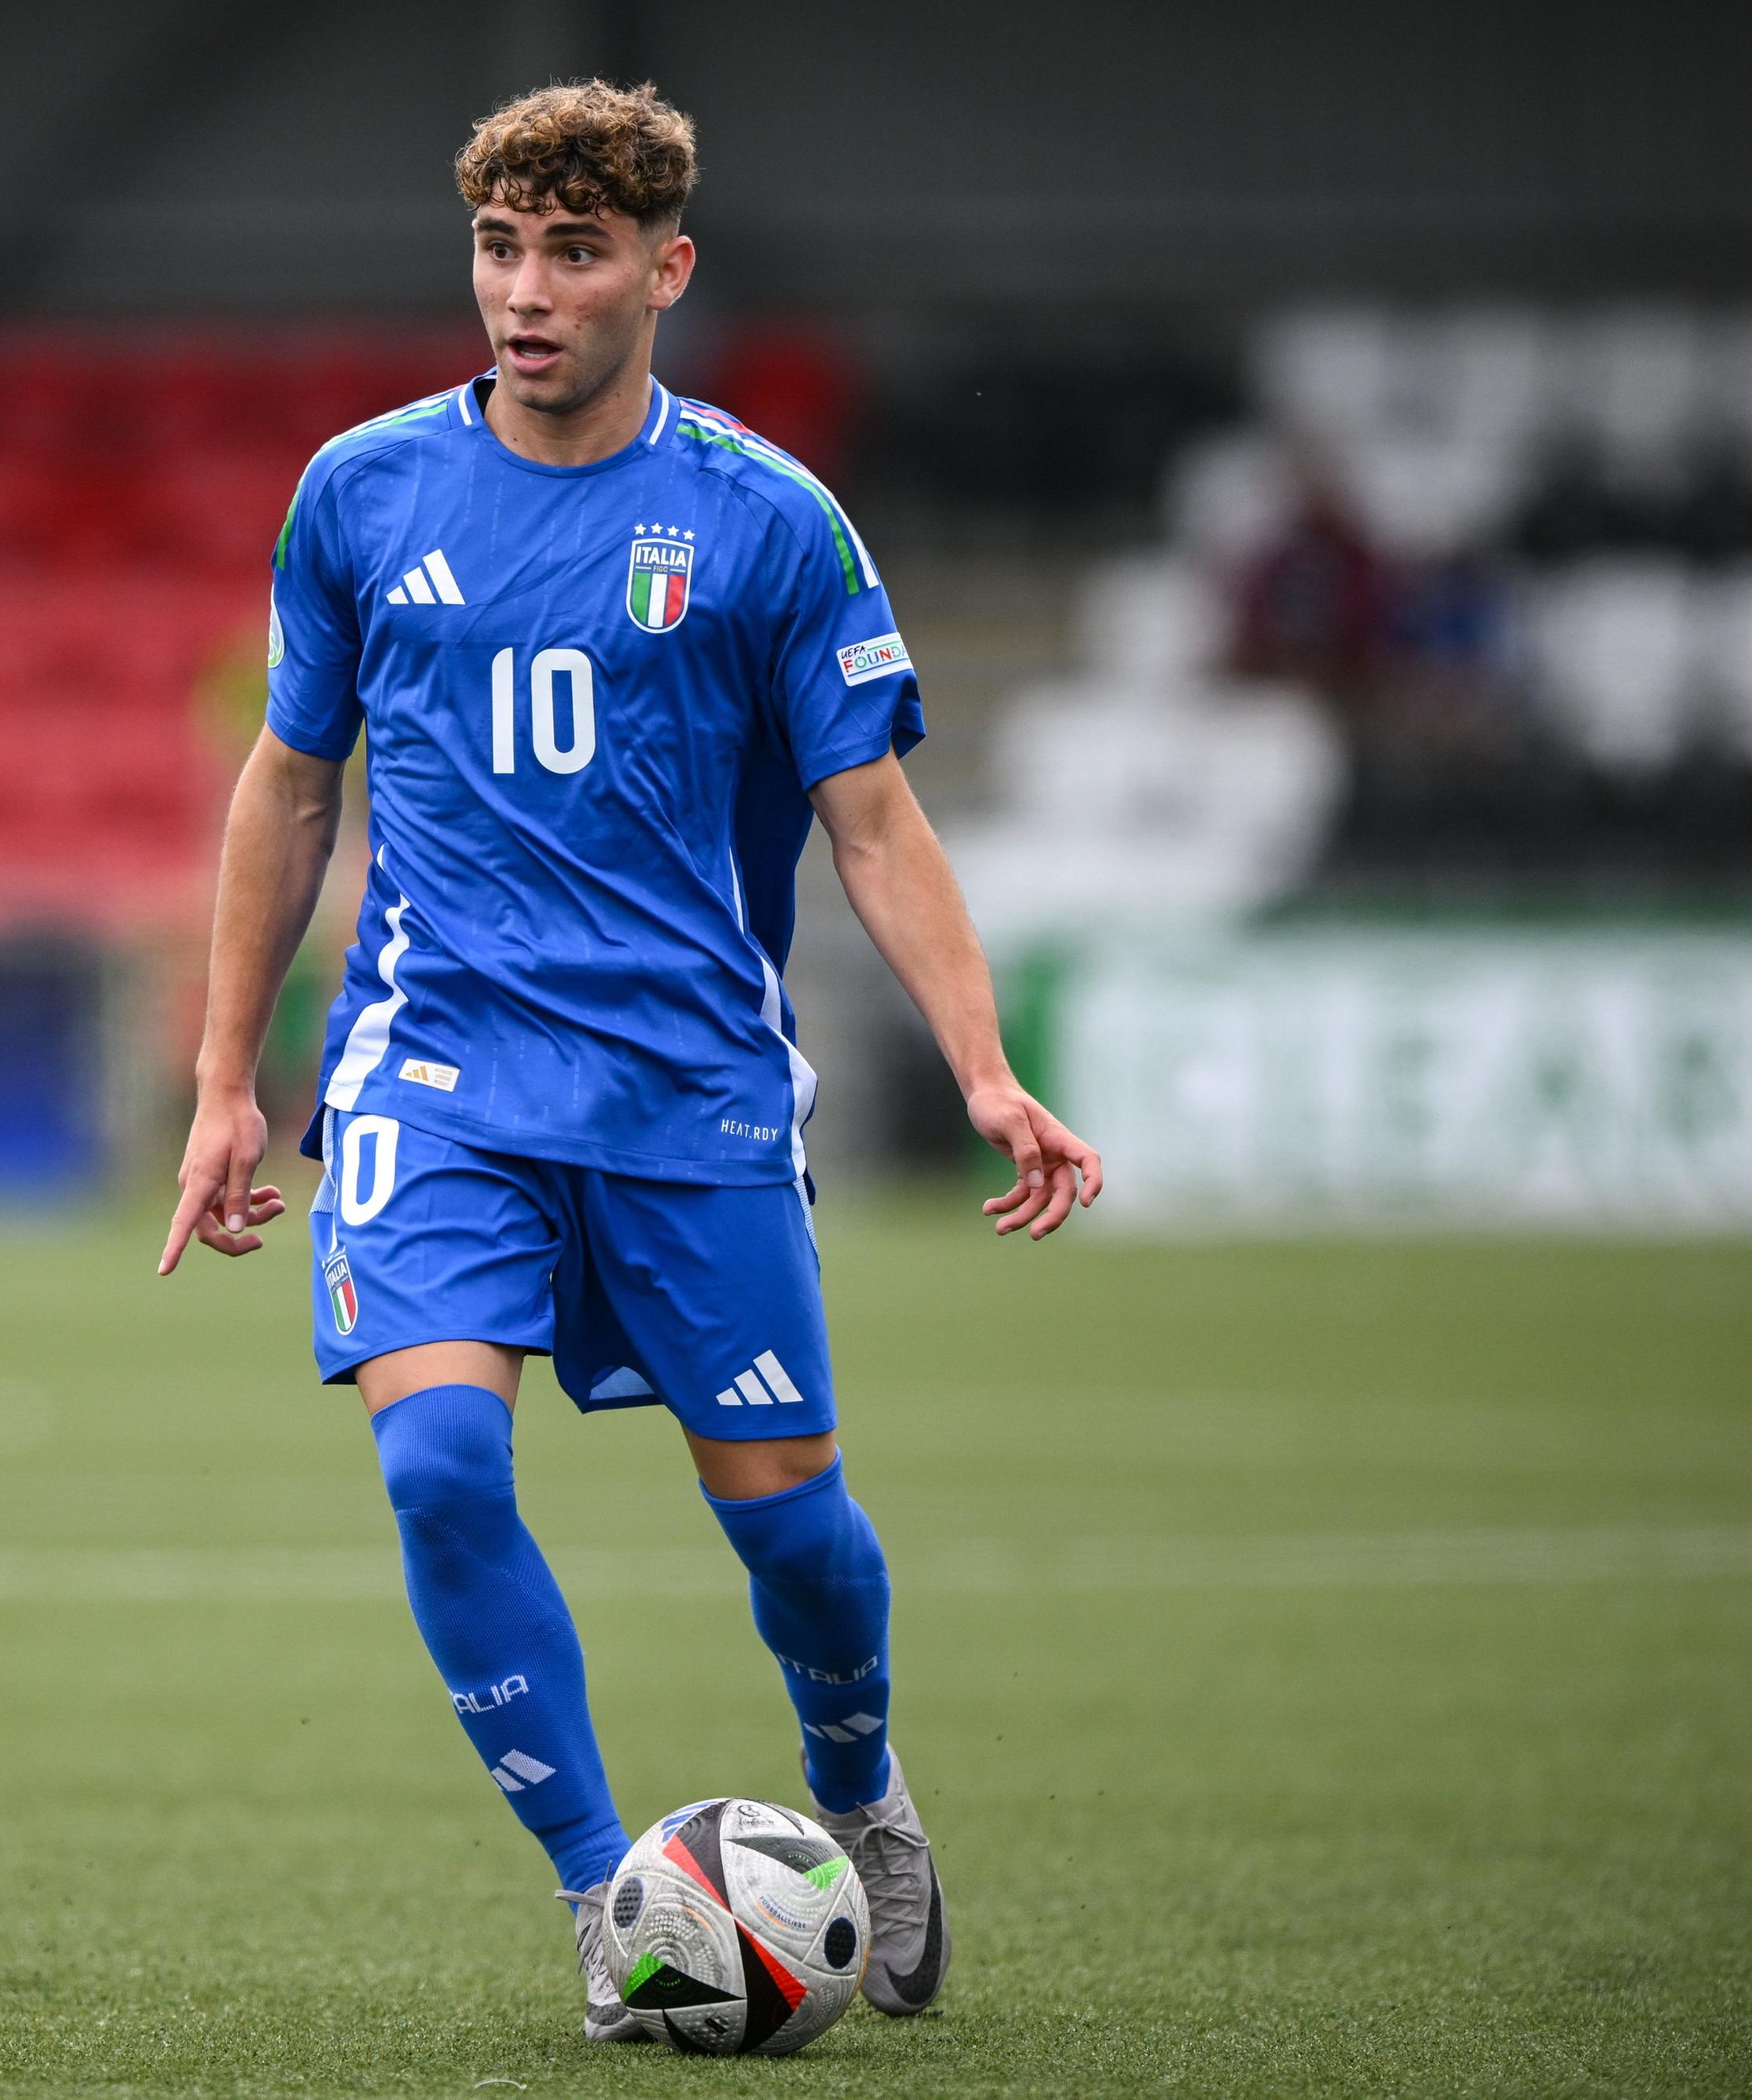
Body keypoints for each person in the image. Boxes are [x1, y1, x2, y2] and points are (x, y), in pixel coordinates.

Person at [157, 82, 1101, 2041]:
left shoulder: (768, 519)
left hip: (689, 1098)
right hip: (435, 1079)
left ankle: (859, 1784)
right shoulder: (360, 494)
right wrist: (228, 1078)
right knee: (434, 1464)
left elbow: (874, 825)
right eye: (500, 249)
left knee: (797, 1540)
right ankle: (614, 1898)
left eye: (574, 254)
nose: (527, 290)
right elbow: (290, 782)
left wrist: (988, 1067)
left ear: (664, 272)